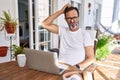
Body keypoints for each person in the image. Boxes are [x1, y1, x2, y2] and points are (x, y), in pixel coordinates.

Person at [41, 3, 95, 79]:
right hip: (60, 67)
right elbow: (44, 24)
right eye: (69, 18)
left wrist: (76, 66)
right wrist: (60, 12)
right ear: (65, 19)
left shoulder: (85, 35)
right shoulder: (62, 30)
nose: (72, 20)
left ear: (78, 18)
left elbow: (91, 58)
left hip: (75, 69)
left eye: (74, 17)